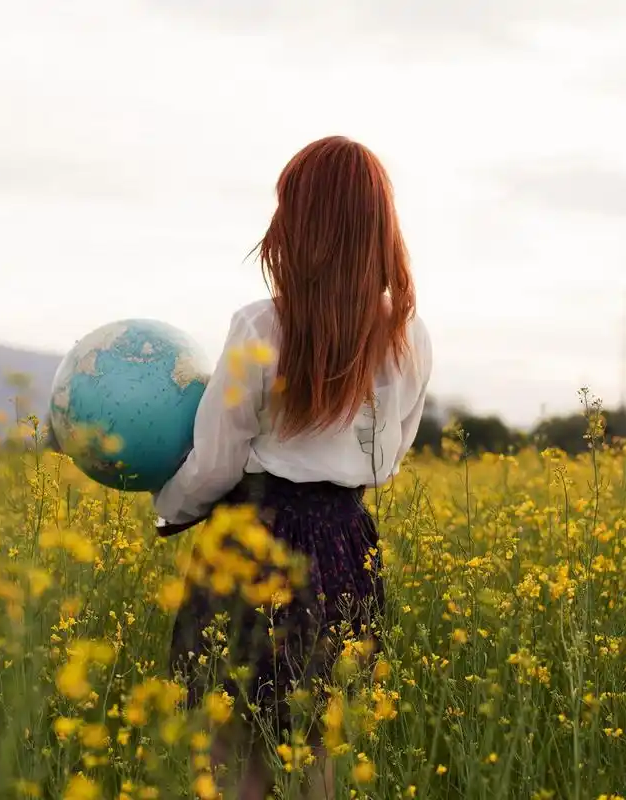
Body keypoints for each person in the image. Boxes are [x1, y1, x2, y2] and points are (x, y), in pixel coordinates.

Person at [153, 135, 432, 800]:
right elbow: (388, 459)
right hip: (345, 545)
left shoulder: (259, 325)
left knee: (230, 747)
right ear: (379, 227)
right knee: (318, 753)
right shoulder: (408, 334)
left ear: (297, 223)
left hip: (253, 538)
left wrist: (170, 506)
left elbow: (215, 464)